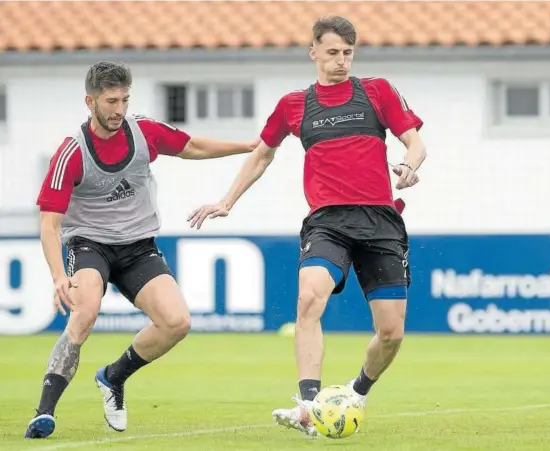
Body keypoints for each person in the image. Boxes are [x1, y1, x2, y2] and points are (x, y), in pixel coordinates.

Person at [188, 16, 427, 437]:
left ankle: (356, 392)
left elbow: (416, 141)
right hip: (327, 221)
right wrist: (227, 201)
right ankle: (309, 404)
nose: (341, 62)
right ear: (313, 51)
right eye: (332, 52)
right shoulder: (293, 105)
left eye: (348, 53)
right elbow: (262, 155)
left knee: (391, 333)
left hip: (380, 220)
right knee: (308, 297)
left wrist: (409, 164)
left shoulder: (377, 91)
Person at [25, 61, 258, 439]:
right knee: (84, 312)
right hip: (89, 244)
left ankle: (113, 377)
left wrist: (247, 145)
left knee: (177, 323)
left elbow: (192, 146)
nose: (119, 109)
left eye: (125, 99)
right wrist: (58, 275)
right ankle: (44, 412)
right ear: (90, 101)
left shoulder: (143, 131)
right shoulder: (71, 153)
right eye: (111, 101)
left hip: (137, 246)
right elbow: (49, 224)